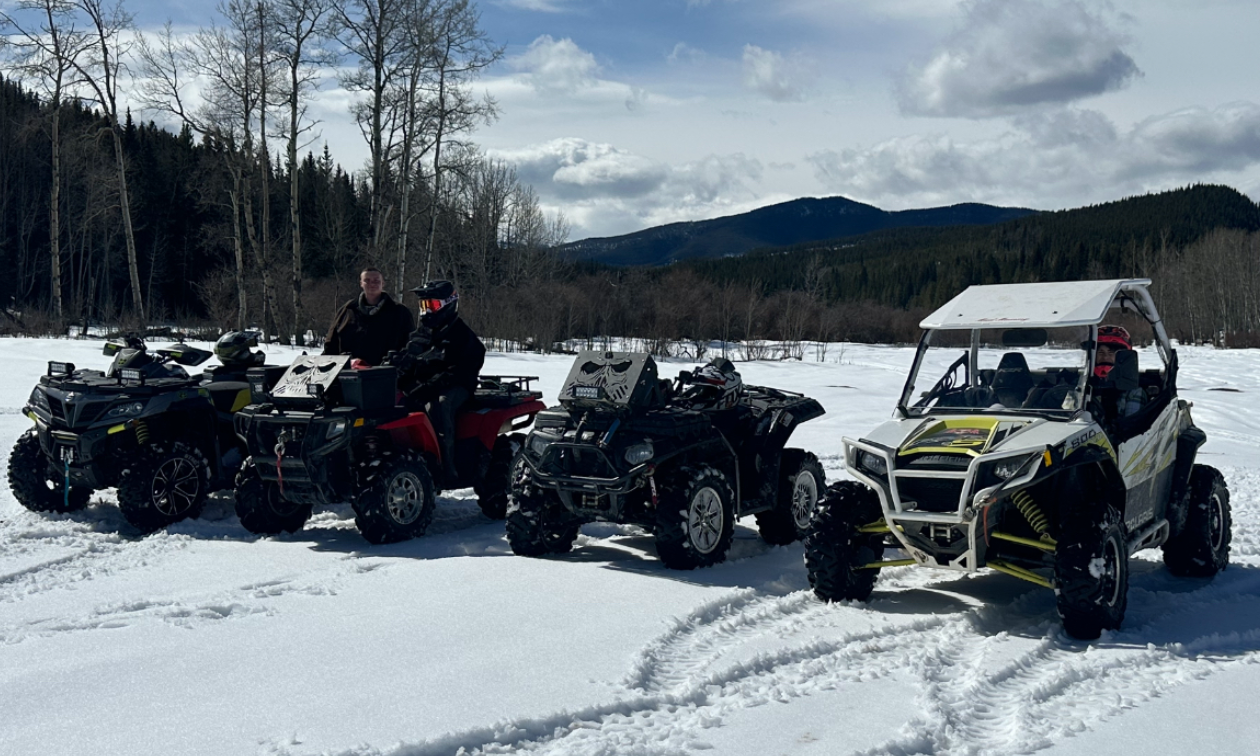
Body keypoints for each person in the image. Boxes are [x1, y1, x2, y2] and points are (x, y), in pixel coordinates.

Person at [395, 280, 486, 481]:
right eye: (423, 305)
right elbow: (408, 355)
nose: (427, 311)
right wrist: (397, 363)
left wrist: (432, 385)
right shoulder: (422, 333)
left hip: (456, 386)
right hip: (424, 384)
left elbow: (462, 369)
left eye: (433, 305)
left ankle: (446, 465)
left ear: (448, 304)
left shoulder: (461, 335)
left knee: (437, 406)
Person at [323, 267, 414, 366]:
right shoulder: (347, 311)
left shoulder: (399, 312)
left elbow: (410, 345)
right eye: (367, 280)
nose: (372, 284)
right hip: (348, 374)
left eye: (376, 281)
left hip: (386, 375)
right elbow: (331, 344)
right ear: (361, 283)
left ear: (383, 283)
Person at [1093, 325, 1144, 418]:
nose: (1105, 357)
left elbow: (1131, 426)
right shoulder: (1084, 386)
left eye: (1111, 353)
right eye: (1100, 352)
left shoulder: (1133, 391)